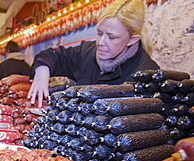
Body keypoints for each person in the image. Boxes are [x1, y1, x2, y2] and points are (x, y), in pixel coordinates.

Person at [28, 0, 160, 107]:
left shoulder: (146, 74)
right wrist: (42, 70)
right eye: (100, 33)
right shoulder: (85, 52)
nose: (101, 42)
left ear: (132, 39)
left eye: (112, 37)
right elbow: (53, 55)